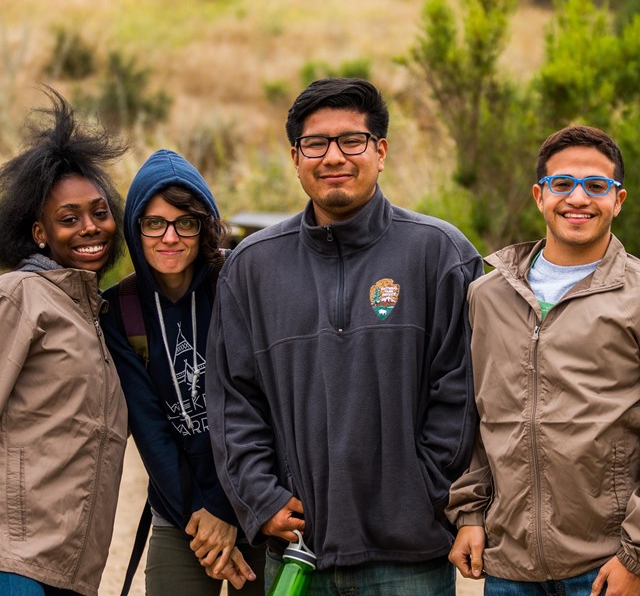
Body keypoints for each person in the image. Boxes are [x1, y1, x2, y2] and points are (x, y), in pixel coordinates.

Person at [206, 77, 483, 595]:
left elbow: (462, 394)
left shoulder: (440, 254)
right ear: (295, 156)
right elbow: (232, 400)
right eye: (316, 143)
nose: (334, 156)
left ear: (381, 152)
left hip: (408, 560)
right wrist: (260, 498)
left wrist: (422, 494)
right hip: (297, 554)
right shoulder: (252, 268)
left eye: (351, 140)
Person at [447, 125, 640, 596]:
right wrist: (470, 513)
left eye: (597, 186)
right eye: (562, 184)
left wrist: (635, 554)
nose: (579, 198)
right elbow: (477, 416)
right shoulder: (487, 295)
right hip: (509, 567)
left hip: (606, 565)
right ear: (539, 195)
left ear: (619, 200)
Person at [100, 149, 264, 595]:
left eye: (184, 222)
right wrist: (203, 518)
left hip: (260, 499)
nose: (169, 236)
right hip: (182, 511)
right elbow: (150, 429)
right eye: (154, 222)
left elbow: (264, 405)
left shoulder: (237, 283)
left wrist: (228, 510)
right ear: (135, 228)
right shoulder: (120, 310)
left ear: (204, 224)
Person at [0, 87, 128, 596]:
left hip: (74, 570)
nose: (90, 228)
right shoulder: (20, 296)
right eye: (68, 218)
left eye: (99, 212)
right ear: (39, 233)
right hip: (16, 563)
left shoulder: (95, 314)